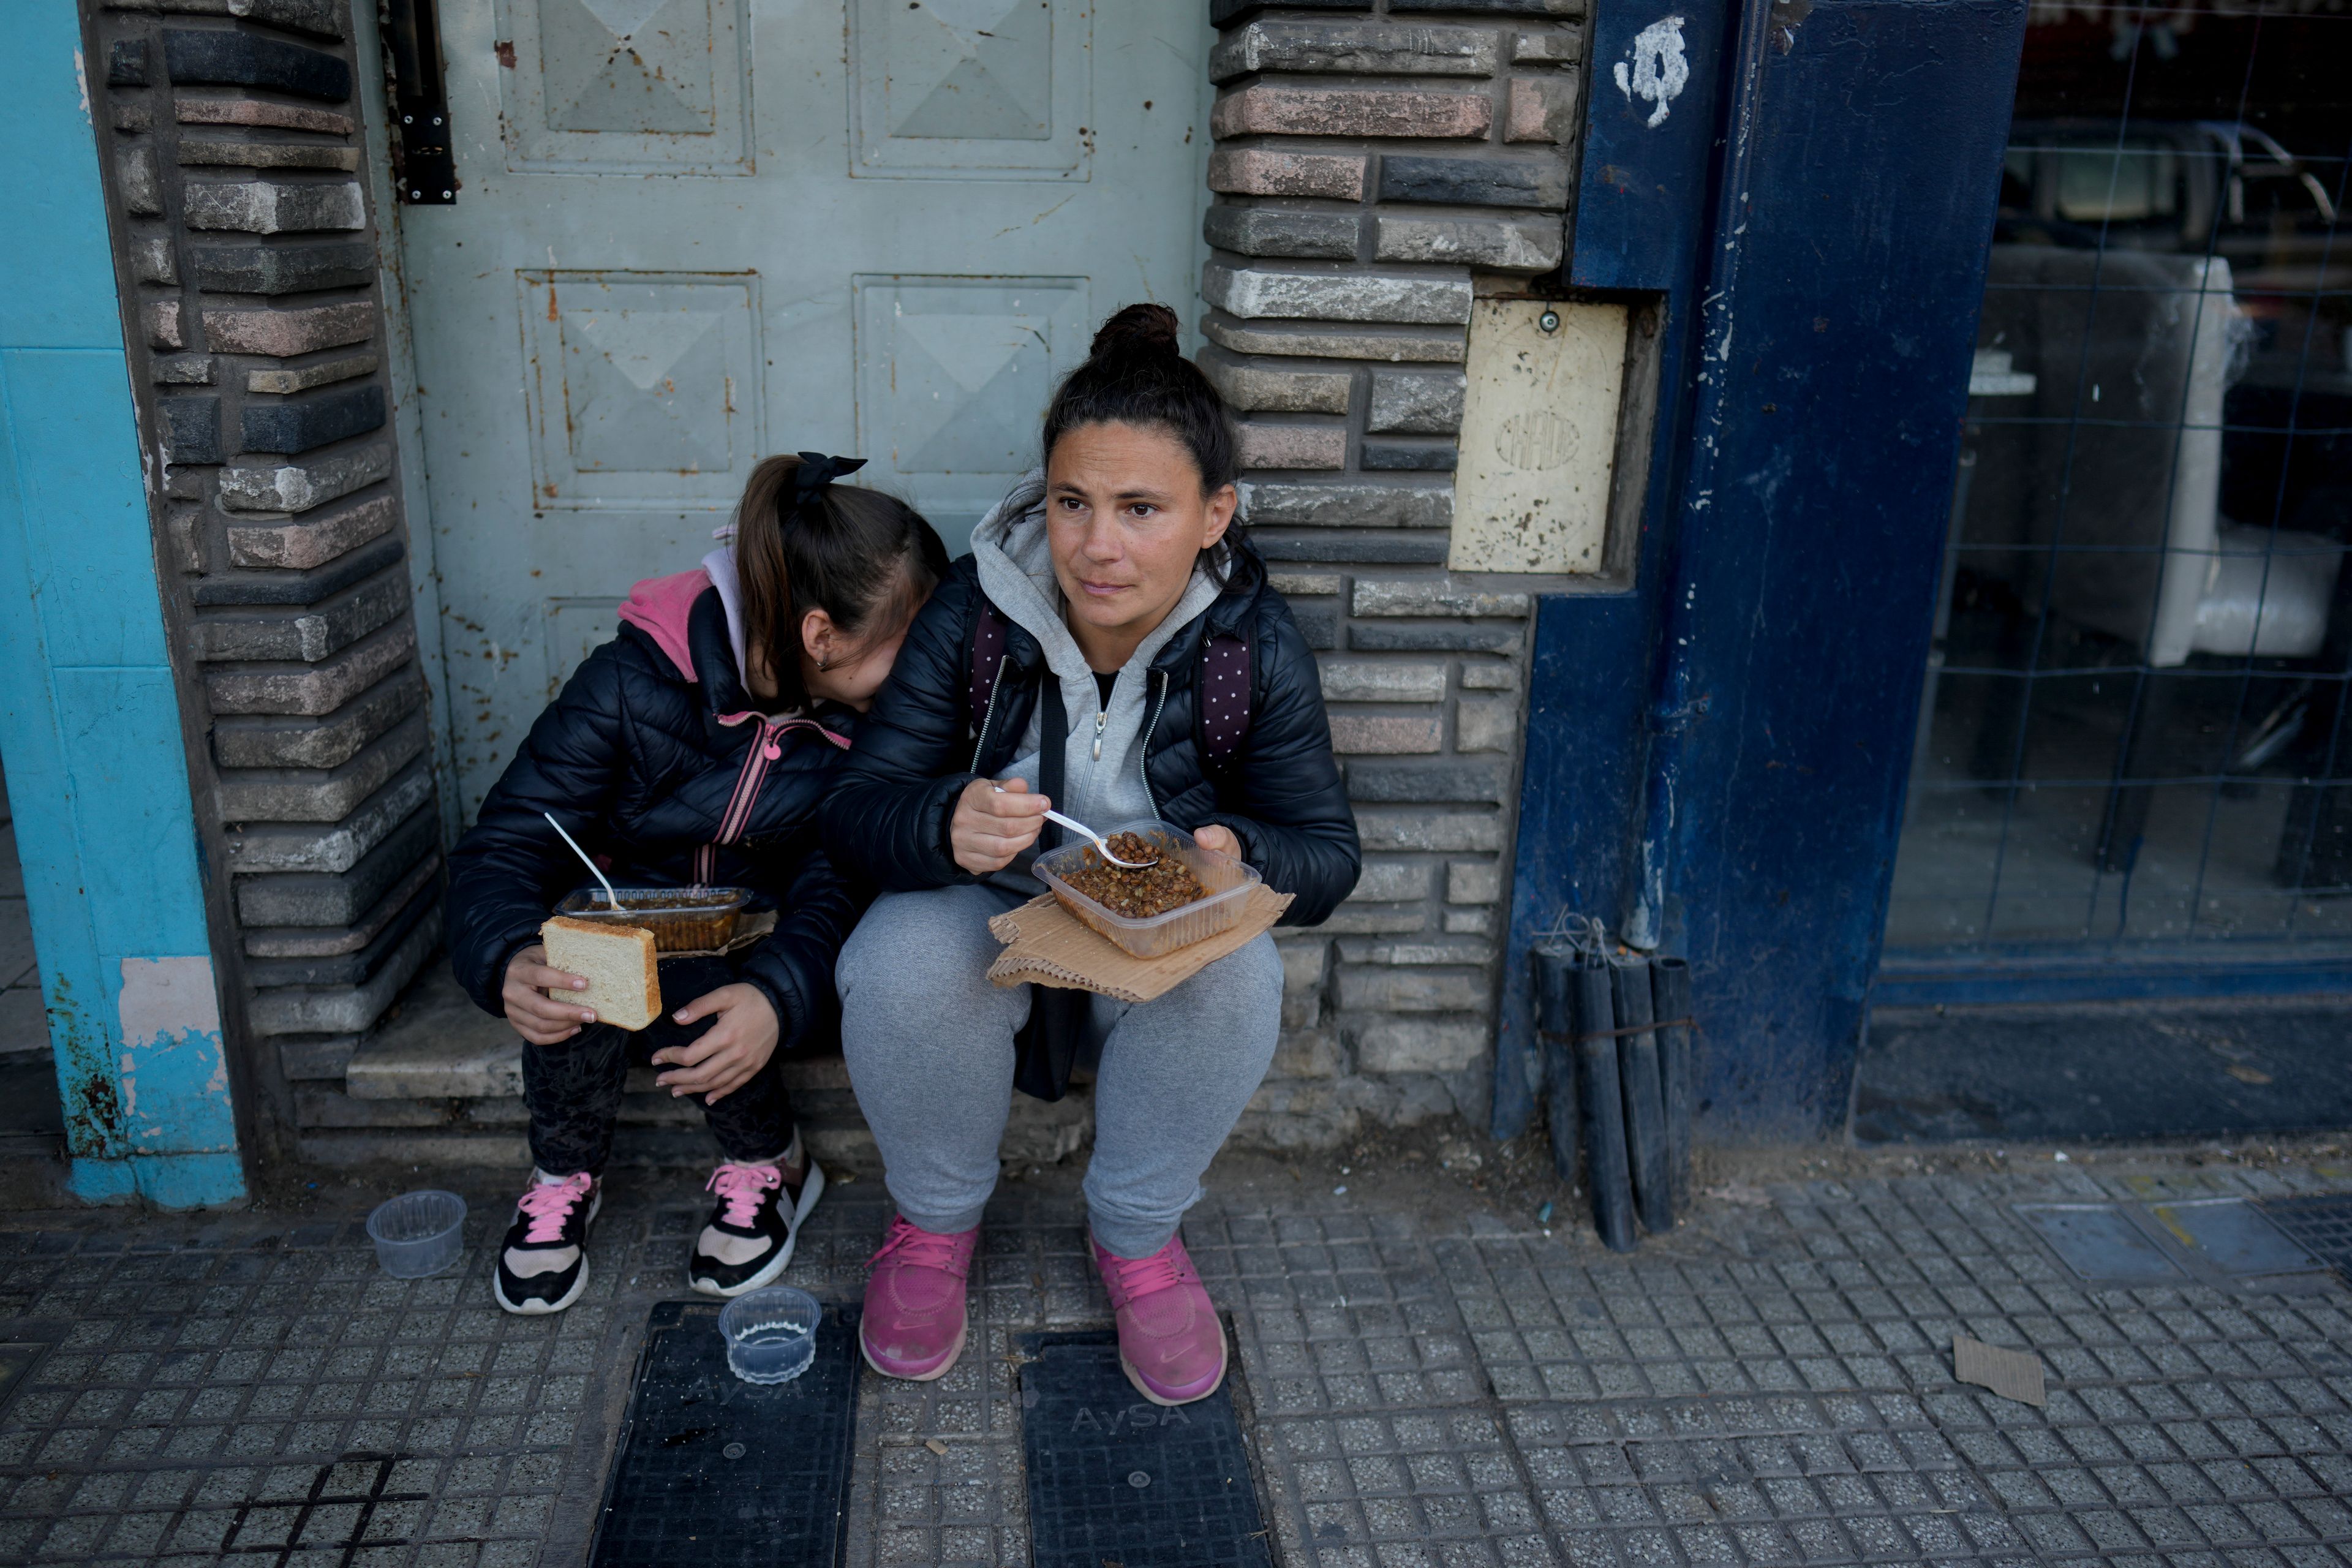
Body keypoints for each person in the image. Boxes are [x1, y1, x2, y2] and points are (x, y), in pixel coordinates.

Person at [823, 306, 1360, 1404]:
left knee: (1239, 975)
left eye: (1141, 509)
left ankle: (1137, 1238)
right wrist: (942, 822)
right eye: (1073, 503)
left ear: (1216, 515)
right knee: (895, 964)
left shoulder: (1248, 644)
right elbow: (853, 811)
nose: (1096, 547)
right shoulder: (977, 611)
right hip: (991, 901)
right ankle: (931, 1228)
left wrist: (1240, 849)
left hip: (1152, 921)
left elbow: (1328, 854)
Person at [446, 453, 948, 1314]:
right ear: (822, 636)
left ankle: (768, 1160)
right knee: (574, 969)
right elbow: (506, 845)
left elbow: (842, 887)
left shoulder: (872, 734)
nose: (926, 672)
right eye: (911, 648)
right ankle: (564, 1173)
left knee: (709, 984)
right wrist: (504, 960)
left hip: (752, 951)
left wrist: (780, 1001)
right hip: (622, 925)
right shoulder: (631, 681)